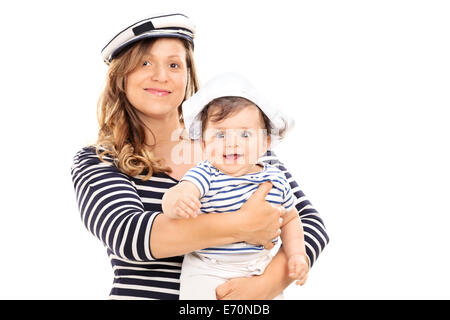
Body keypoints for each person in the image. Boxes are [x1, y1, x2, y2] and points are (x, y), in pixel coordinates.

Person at [71, 13, 329, 300]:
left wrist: (263, 287)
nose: (161, 76)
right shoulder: (100, 160)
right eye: (145, 63)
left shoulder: (241, 147)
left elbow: (309, 223)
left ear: (187, 76)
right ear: (121, 77)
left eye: (174, 64)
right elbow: (128, 234)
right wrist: (242, 225)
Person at [162, 73, 308, 300]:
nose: (232, 142)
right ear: (203, 143)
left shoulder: (275, 179)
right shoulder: (206, 173)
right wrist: (176, 202)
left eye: (245, 134)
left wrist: (297, 254)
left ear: (265, 143)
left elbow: (291, 219)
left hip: (259, 268)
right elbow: (179, 193)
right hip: (207, 267)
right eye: (220, 134)